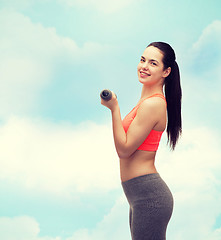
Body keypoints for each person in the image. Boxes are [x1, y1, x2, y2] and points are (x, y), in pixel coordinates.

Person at [101, 41, 182, 240]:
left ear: (166, 71)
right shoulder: (147, 102)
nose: (144, 66)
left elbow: (124, 149)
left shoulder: (153, 104)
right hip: (138, 195)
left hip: (149, 197)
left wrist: (114, 108)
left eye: (153, 63)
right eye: (142, 59)